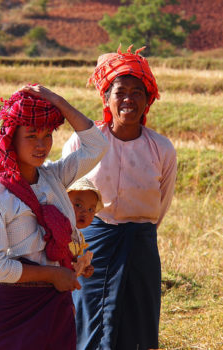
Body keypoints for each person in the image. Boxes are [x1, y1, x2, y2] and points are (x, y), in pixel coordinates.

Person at [0, 84, 108, 350]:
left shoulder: (53, 177)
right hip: (16, 309)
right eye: (31, 136)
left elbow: (97, 145)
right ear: (11, 137)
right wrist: (52, 275)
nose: (41, 145)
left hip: (55, 304)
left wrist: (56, 100)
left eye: (47, 136)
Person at [62, 45, 177, 350]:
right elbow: (65, 195)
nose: (129, 99)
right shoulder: (84, 144)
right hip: (92, 246)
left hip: (140, 244)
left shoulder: (161, 149)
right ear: (106, 98)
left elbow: (161, 204)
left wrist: (140, 229)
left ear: (148, 100)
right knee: (87, 319)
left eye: (138, 92)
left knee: (138, 323)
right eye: (120, 91)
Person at [0, 177, 104, 350]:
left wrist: (83, 268)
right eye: (78, 205)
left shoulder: (78, 237)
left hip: (59, 290)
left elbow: (71, 260)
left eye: (91, 210)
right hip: (24, 288)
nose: (84, 213)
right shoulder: (54, 225)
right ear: (64, 203)